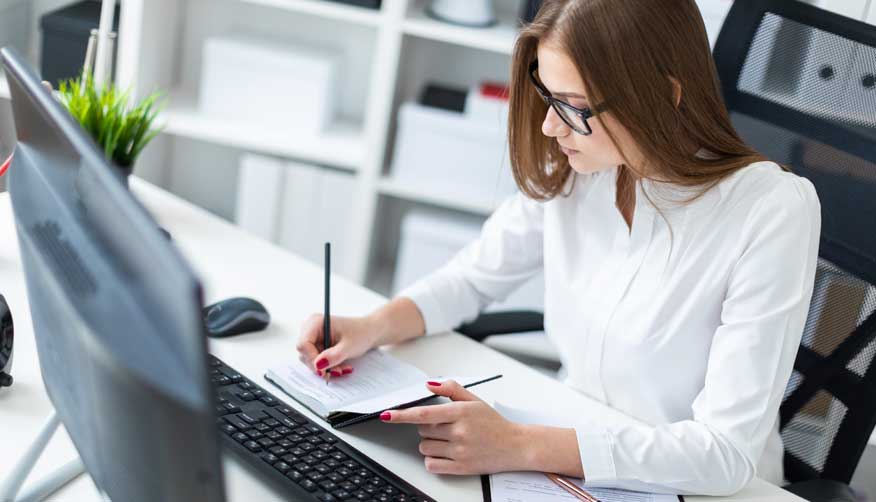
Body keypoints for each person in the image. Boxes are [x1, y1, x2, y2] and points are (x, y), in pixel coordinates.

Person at [296, 0, 821, 495]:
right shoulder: (584, 168)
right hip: (571, 454)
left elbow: (724, 453)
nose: (550, 126)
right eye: (548, 97)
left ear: (664, 94)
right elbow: (473, 278)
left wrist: (518, 444)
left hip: (696, 488)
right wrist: (372, 326)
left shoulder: (771, 210)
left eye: (571, 106)